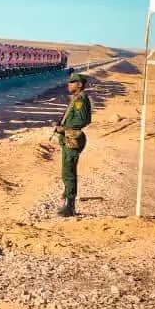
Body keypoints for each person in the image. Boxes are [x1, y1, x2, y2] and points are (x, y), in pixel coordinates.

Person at [54, 72, 92, 217]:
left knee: (69, 172)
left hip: (73, 138)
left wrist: (63, 128)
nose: (68, 85)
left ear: (79, 84)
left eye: (72, 82)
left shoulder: (80, 100)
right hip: (69, 137)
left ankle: (70, 206)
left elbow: (82, 120)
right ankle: (67, 203)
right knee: (66, 171)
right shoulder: (76, 99)